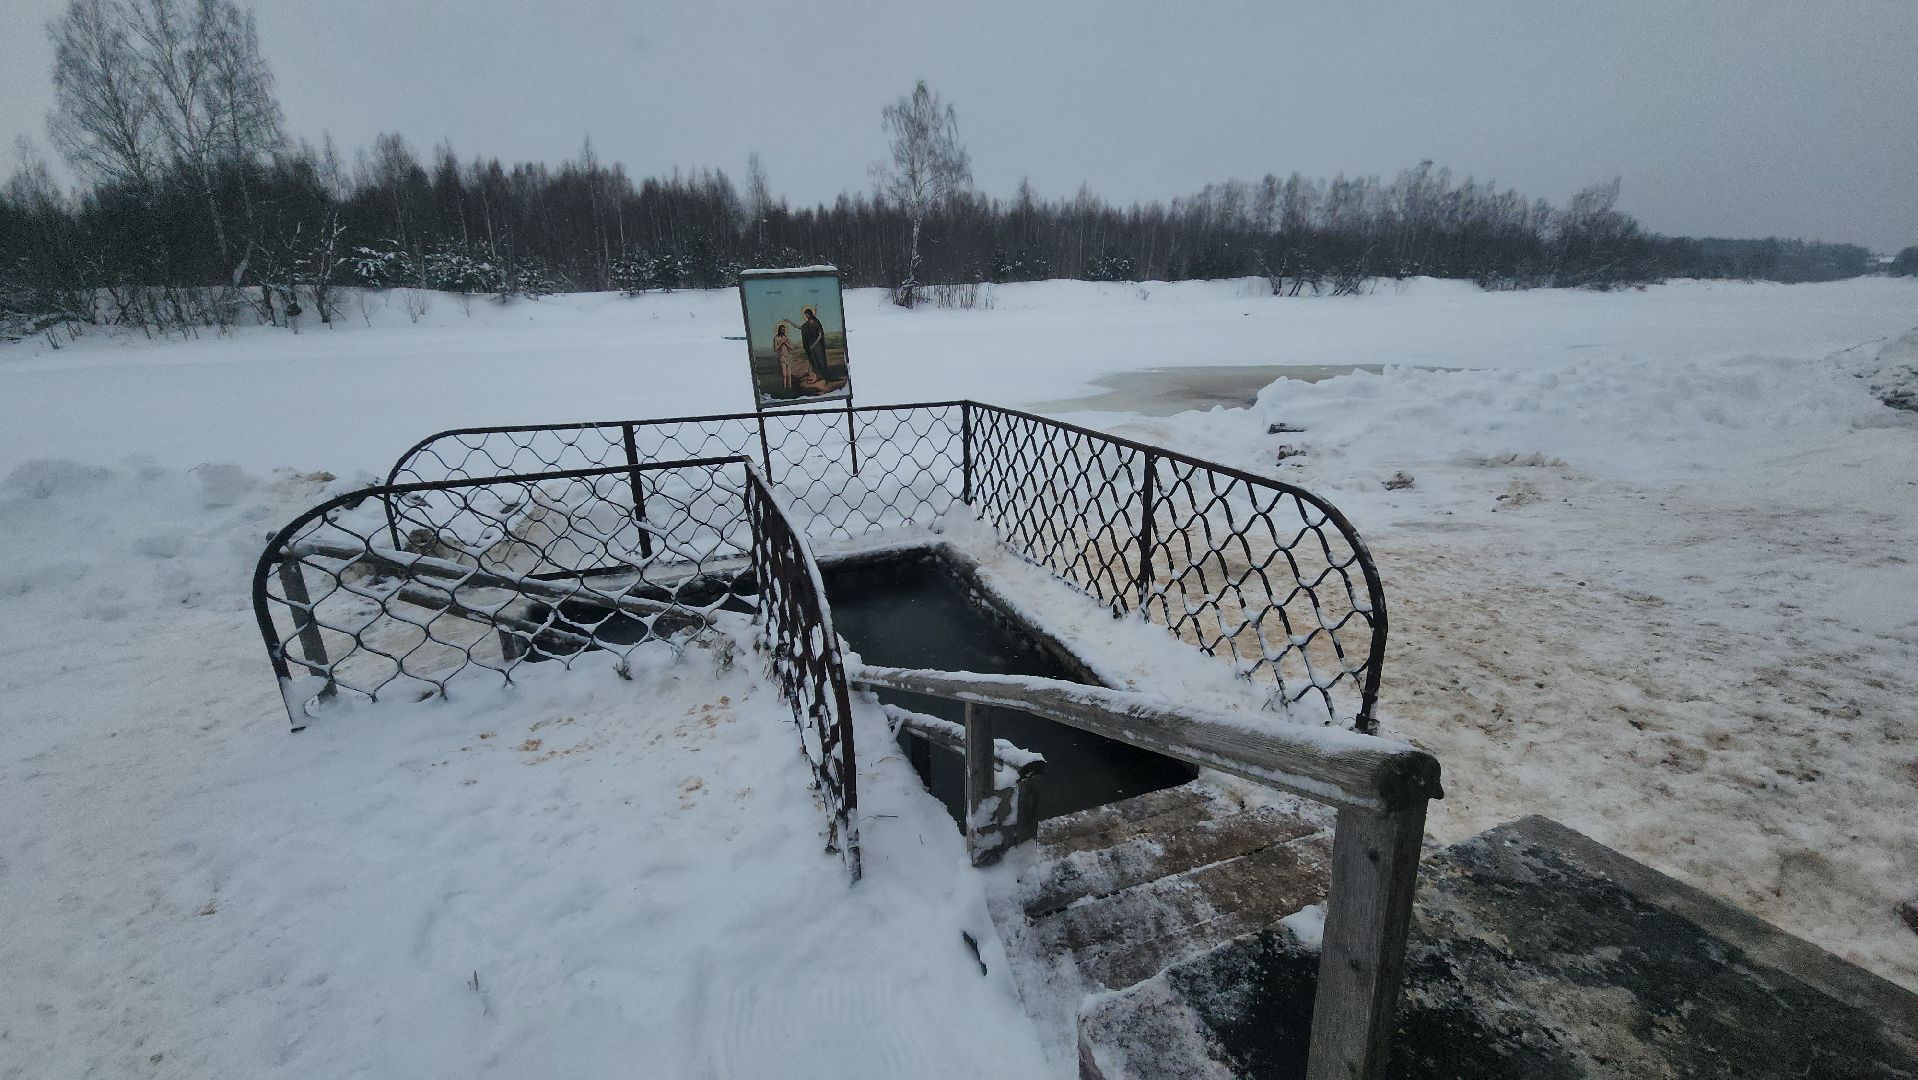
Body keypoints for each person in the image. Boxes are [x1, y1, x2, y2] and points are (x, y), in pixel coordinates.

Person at [773, 322, 840, 395]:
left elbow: (792, 347)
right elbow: (776, 349)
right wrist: (781, 343)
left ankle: (789, 388)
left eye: (784, 330)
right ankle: (785, 388)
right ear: (779, 330)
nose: (783, 331)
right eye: (782, 330)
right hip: (782, 357)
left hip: (788, 356)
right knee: (785, 374)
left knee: (789, 374)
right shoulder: (776, 338)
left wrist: (786, 343)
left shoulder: (786, 338)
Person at [798, 306, 831, 382]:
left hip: (818, 345)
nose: (806, 316)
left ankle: (825, 377)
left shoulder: (816, 322)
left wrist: (815, 344)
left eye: (807, 314)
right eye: (805, 314)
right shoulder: (807, 324)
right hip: (811, 344)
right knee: (814, 360)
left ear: (810, 314)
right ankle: (817, 376)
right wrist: (790, 322)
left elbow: (820, 334)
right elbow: (800, 327)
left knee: (821, 360)